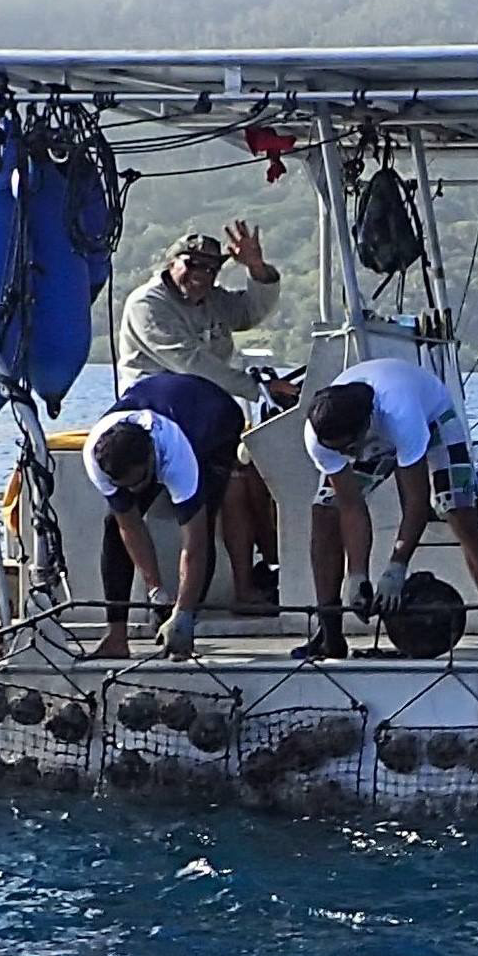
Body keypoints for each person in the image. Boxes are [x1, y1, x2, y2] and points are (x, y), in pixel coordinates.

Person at [117, 223, 295, 609]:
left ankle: (273, 570)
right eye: (192, 266)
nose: (200, 277)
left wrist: (257, 267)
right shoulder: (147, 304)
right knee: (231, 487)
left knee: (254, 476)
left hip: (207, 415)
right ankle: (238, 591)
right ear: (171, 263)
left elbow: (252, 310)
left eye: (210, 270)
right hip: (155, 416)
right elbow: (189, 363)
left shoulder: (211, 300)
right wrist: (258, 388)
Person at [301, 356, 478, 658]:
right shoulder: (319, 439)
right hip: (370, 433)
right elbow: (351, 507)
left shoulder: (401, 415)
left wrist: (396, 567)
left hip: (433, 418)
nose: (347, 456)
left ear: (365, 425)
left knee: (455, 510)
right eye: (338, 451)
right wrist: (357, 575)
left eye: (349, 449)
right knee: (325, 509)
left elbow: (415, 503)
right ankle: (329, 630)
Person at [82, 373, 245, 659]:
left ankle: (184, 629)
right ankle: (116, 638)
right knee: (113, 526)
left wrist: (181, 611)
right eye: (125, 486)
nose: (132, 491)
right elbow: (129, 526)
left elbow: (193, 544)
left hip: (215, 419)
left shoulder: (176, 456)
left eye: (138, 482)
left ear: (152, 460)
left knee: (202, 525)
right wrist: (155, 588)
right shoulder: (96, 457)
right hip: (157, 404)